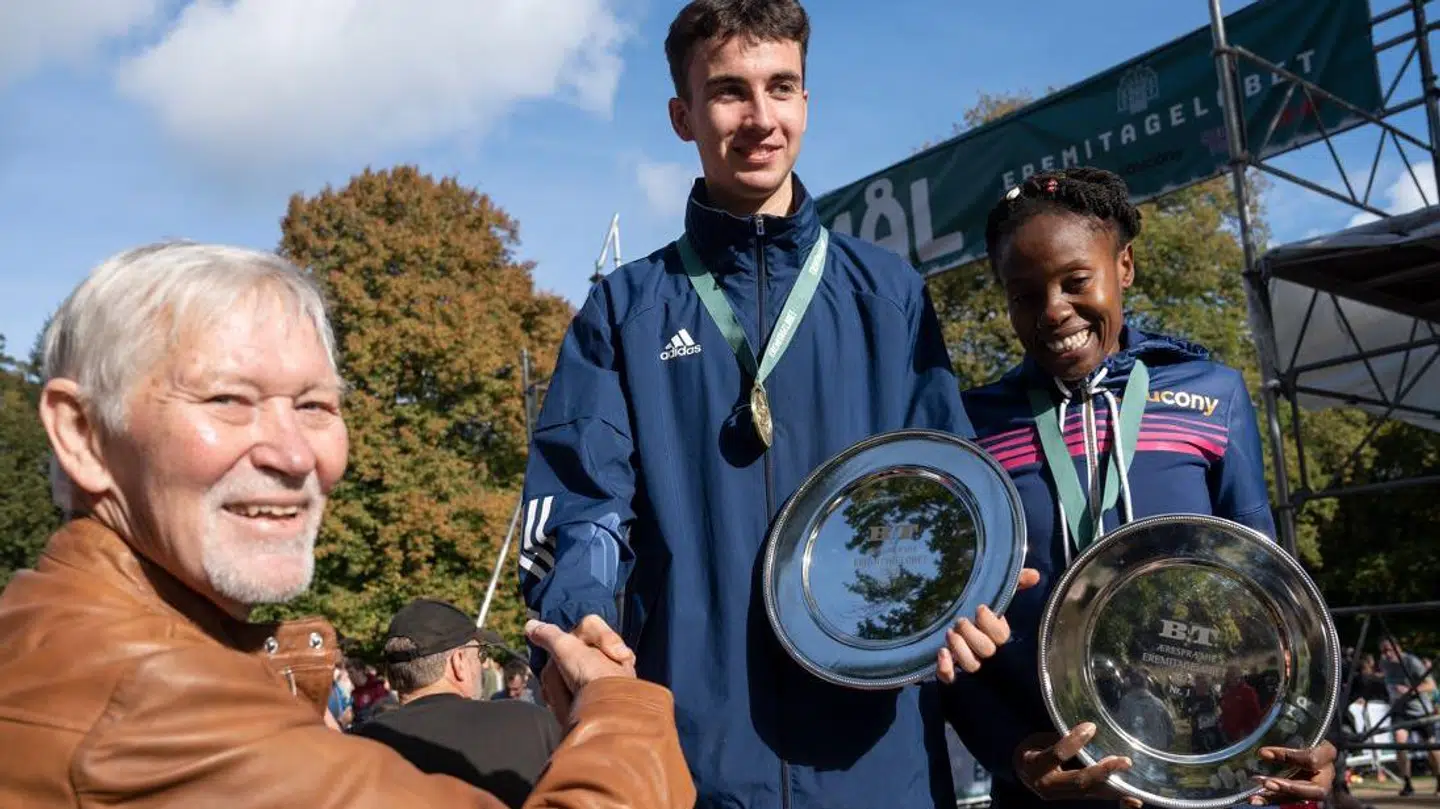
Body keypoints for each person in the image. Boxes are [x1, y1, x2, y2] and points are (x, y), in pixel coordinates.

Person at [516, 2, 1025, 807]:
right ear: (683, 116)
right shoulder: (624, 311)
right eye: (729, 92)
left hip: (876, 767)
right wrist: (581, 615)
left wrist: (971, 589)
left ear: (806, 104)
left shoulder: (887, 295)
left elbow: (942, 490)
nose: (760, 118)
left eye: (780, 87)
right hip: (693, 765)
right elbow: (583, 504)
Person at [0, 241, 695, 809]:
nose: (294, 454)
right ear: (82, 433)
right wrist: (621, 705)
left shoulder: (53, 632)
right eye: (229, 400)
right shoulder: (152, 704)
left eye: (314, 406)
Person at [942, 167, 1338, 809]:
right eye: (1024, 294)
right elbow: (953, 635)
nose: (1053, 310)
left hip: (1200, 772)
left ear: (1123, 266)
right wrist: (1015, 755)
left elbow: (1270, 597)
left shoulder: (1211, 394)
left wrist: (1307, 736)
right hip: (1053, 786)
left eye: (1076, 282)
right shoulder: (974, 425)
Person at [353, 599, 561, 808]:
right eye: (480, 654)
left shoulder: (357, 747)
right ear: (458, 662)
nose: (481, 666)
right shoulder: (533, 724)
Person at [1377, 638, 1439, 796]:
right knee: (1400, 742)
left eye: (1389, 650)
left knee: (1431, 747)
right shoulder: (1384, 663)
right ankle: (1407, 783)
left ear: (1397, 647)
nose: (1387, 654)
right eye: (1383, 651)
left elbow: (1431, 685)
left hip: (1420, 710)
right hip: (1400, 711)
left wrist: (1409, 690)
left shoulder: (1412, 662)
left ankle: (1439, 779)